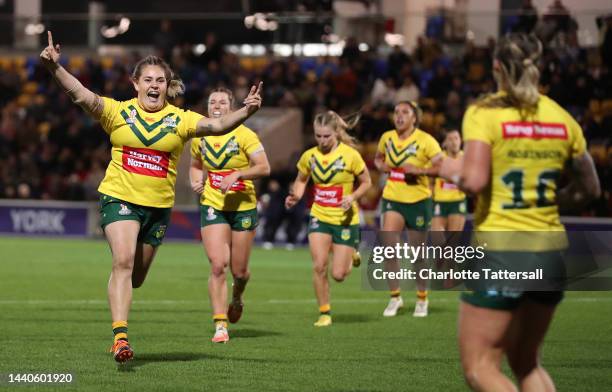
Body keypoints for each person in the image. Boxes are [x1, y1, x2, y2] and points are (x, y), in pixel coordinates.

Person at [40, 31, 263, 362]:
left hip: (157, 209)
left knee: (137, 276)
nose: (154, 84)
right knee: (123, 262)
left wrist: (246, 111)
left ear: (167, 85)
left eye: (160, 79)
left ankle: (123, 316)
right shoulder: (117, 112)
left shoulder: (181, 119)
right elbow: (81, 94)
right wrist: (55, 68)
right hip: (119, 197)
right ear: (136, 84)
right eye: (148, 79)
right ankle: (120, 337)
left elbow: (217, 127)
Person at [439, 33, 600, 391]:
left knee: (481, 368)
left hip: (503, 249)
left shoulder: (485, 113)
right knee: (527, 363)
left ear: (496, 67)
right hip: (550, 251)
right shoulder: (562, 118)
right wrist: (548, 204)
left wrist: (445, 168)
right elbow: (591, 189)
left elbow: (474, 180)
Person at [189, 87, 270, 343]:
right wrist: (195, 181)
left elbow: (264, 167)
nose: (216, 105)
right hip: (213, 204)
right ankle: (220, 324)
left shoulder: (245, 134)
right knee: (217, 265)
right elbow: (195, 164)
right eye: (212, 101)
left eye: (222, 102)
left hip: (243, 206)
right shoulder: (200, 135)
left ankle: (237, 296)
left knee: (240, 272)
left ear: (231, 107)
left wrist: (238, 174)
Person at [285, 111, 371, 327]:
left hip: (344, 219)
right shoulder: (309, 156)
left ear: (336, 133)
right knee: (319, 266)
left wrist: (352, 196)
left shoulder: (351, 155)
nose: (322, 141)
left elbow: (367, 182)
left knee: (339, 275)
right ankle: (324, 312)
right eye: (318, 136)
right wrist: (295, 195)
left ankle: (351, 254)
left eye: (326, 136)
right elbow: (301, 180)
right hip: (319, 216)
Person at [374, 101, 443, 318]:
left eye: (405, 112)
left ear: (415, 117)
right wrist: (381, 166)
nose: (399, 116)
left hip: (419, 201)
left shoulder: (426, 140)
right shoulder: (387, 137)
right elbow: (378, 158)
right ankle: (395, 297)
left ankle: (422, 298)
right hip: (393, 197)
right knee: (389, 248)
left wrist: (420, 170)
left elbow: (441, 167)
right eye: (396, 112)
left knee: (418, 254)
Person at [431, 130, 466, 232]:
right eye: (450, 139)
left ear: (461, 141)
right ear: (444, 143)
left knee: (452, 243)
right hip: (439, 202)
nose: (454, 142)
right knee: (438, 241)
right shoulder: (438, 159)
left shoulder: (466, 159)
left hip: (458, 203)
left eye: (456, 138)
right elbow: (429, 178)